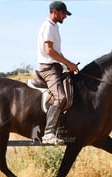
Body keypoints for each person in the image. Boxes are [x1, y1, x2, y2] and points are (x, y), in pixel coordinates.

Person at [37, 1, 78, 145]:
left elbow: (57, 52)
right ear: (55, 11)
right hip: (49, 68)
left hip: (56, 67)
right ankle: (48, 133)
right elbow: (49, 51)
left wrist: (69, 65)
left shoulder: (54, 27)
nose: (65, 17)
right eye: (64, 13)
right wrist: (68, 64)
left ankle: (62, 128)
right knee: (60, 97)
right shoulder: (48, 26)